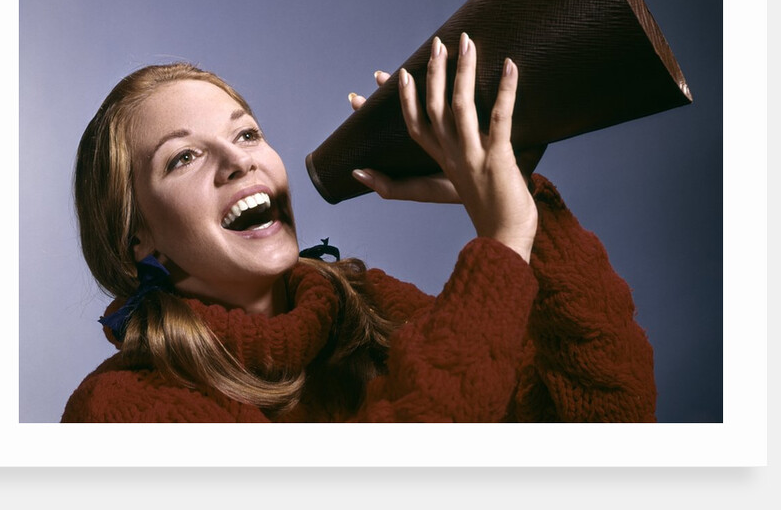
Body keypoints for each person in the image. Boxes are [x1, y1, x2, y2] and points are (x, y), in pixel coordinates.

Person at [61, 33, 657, 423]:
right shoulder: (120, 410)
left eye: (246, 134)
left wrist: (526, 211)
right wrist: (500, 250)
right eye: (183, 157)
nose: (240, 159)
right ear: (138, 238)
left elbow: (610, 420)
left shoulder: (368, 306)